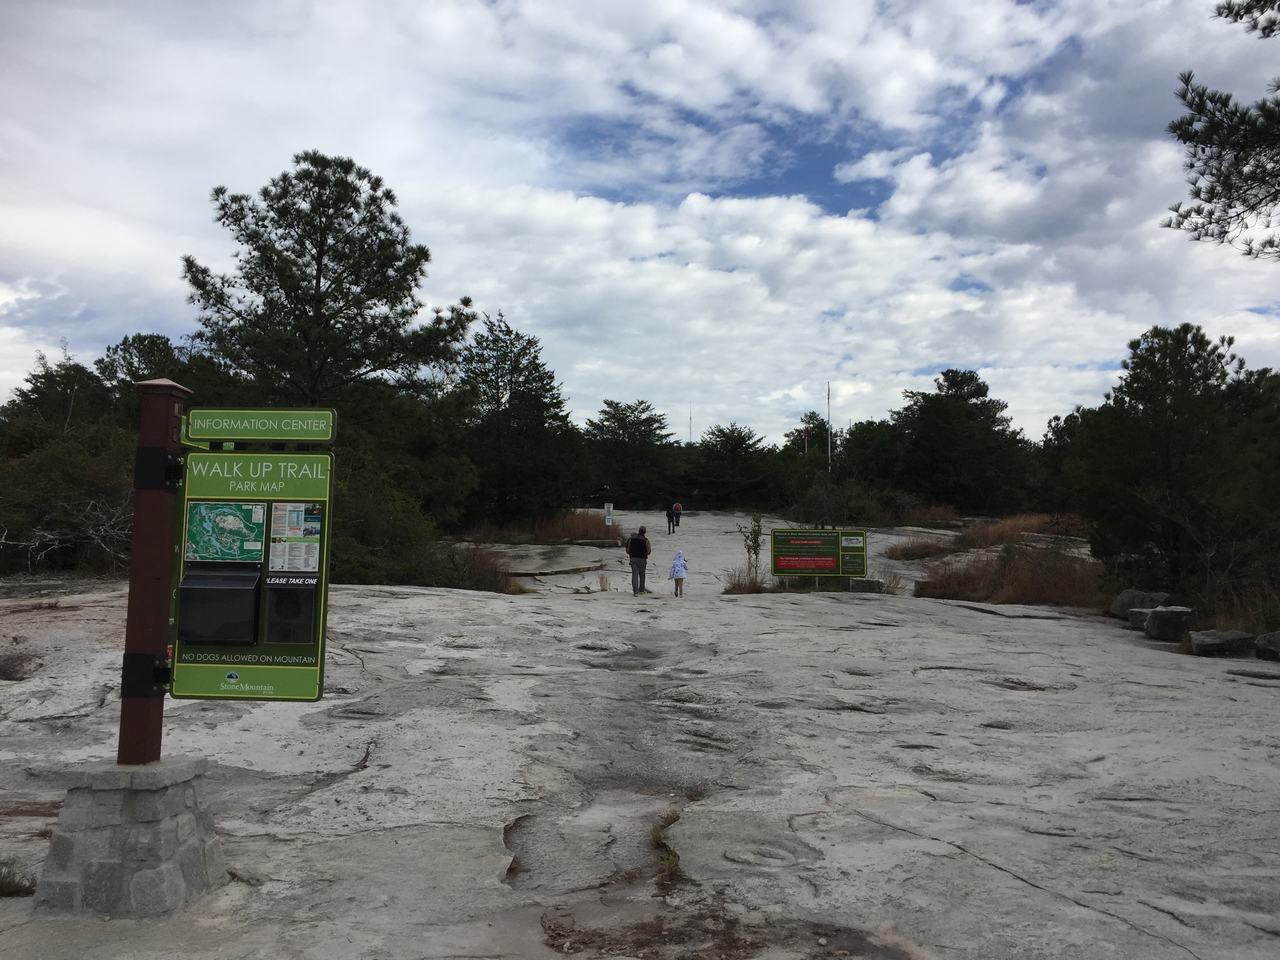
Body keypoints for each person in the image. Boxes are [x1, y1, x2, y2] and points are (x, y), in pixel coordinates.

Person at [624, 525, 652, 595]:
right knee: (642, 575)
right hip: (642, 559)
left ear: (638, 531)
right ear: (645, 532)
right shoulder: (646, 540)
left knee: (634, 574)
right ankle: (641, 590)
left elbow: (628, 550)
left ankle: (635, 592)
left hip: (633, 558)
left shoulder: (631, 539)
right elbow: (648, 551)